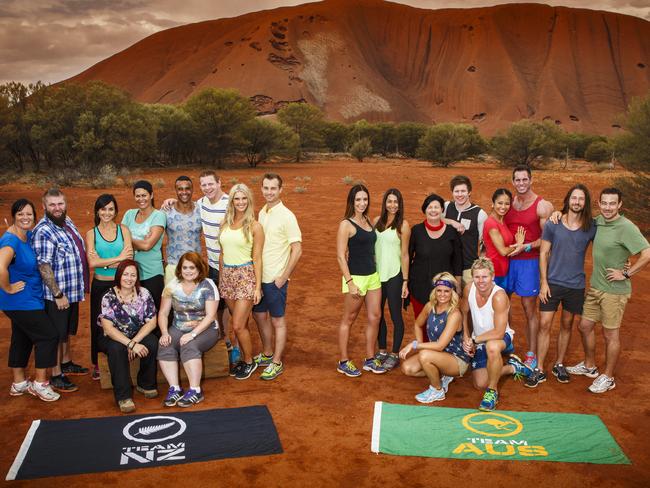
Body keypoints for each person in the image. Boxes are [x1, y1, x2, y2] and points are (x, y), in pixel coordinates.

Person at [566, 188, 650, 393]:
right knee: (584, 326)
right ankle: (590, 366)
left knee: (610, 335)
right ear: (599, 203)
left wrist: (626, 273)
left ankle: (609, 377)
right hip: (596, 287)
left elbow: (647, 254)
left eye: (613, 203)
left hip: (615, 291)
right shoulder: (598, 222)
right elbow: (576, 221)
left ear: (620, 205)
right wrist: (557, 213)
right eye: (604, 203)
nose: (608, 207)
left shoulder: (626, 227)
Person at [525, 185, 596, 388]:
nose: (577, 202)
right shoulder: (553, 223)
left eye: (581, 199)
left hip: (575, 286)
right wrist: (544, 282)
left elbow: (608, 243)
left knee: (567, 325)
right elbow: (543, 253)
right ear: (568, 200)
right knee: (545, 325)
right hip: (552, 284)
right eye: (574, 198)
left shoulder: (591, 226)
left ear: (585, 202)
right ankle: (539, 368)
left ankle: (559, 364)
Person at [1, 199, 60, 402]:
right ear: (14, 216)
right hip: (21, 301)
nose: (25, 218)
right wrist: (8, 287)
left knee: (22, 336)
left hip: (26, 300)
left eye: (29, 214)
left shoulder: (24, 236)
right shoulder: (11, 240)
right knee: (48, 336)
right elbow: (0, 266)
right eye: (20, 214)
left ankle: (19, 383)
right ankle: (40, 383)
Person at [32, 188, 89, 393]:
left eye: (60, 204)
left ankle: (66, 362)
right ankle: (56, 374)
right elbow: (44, 265)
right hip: (57, 295)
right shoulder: (44, 230)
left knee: (65, 332)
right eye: (52, 205)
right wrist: (57, 294)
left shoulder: (65, 221)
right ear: (44, 206)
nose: (57, 208)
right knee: (56, 335)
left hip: (70, 291)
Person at [461, 257, 533, 411]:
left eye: (485, 277)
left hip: (501, 338)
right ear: (472, 276)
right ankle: (513, 368)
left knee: (492, 347)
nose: (481, 281)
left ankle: (492, 392)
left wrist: (473, 340)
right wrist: (466, 337)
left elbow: (499, 332)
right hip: (479, 338)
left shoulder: (499, 296)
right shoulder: (468, 289)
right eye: (477, 277)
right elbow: (464, 313)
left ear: (492, 276)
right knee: (480, 383)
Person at [252, 174, 302, 380]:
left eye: (273, 188)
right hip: (259, 278)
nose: (269, 192)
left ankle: (277, 362)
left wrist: (283, 277)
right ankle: (267, 353)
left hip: (275, 280)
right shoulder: (262, 212)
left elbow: (297, 249)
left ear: (281, 190)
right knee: (259, 316)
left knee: (277, 321)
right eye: (266, 188)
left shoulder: (287, 216)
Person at [503, 165, 553, 368]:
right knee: (502, 305)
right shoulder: (508, 203)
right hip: (507, 261)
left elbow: (548, 239)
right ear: (513, 182)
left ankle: (531, 353)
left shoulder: (542, 206)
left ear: (531, 180)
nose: (521, 183)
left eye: (525, 179)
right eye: (518, 180)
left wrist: (526, 246)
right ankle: (505, 345)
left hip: (529, 263)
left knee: (528, 308)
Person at [336, 184, 386, 377]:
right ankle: (343, 361)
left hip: (372, 277)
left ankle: (370, 358)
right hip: (355, 278)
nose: (362, 203)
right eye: (358, 199)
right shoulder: (346, 225)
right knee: (349, 319)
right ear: (352, 201)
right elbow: (341, 256)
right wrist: (350, 283)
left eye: (365, 199)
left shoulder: (367, 220)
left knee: (375, 317)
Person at [158, 252, 220, 407]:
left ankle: (195, 390)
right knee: (165, 344)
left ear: (199, 268)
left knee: (188, 345)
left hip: (206, 329)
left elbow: (211, 316)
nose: (188, 271)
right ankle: (175, 388)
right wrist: (165, 332)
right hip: (179, 326)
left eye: (192, 267)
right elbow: (163, 313)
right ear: (180, 268)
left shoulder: (208, 285)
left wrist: (192, 334)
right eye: (185, 267)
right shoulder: (171, 285)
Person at [399, 273, 471, 403]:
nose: (442, 294)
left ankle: (437, 390)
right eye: (439, 290)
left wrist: (415, 345)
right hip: (438, 354)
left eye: (446, 291)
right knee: (407, 368)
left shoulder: (454, 314)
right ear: (435, 291)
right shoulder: (429, 306)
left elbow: (440, 345)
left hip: (457, 360)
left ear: (452, 292)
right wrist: (420, 344)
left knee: (425, 356)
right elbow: (417, 324)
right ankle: (443, 375)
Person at [98, 259, 159, 413]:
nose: (129, 278)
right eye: (125, 274)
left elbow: (152, 322)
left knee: (151, 342)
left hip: (136, 334)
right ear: (119, 275)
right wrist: (130, 345)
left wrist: (135, 341)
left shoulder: (144, 293)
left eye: (133, 275)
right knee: (116, 349)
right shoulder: (108, 296)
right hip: (114, 336)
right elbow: (109, 329)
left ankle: (145, 384)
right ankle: (123, 396)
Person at [219, 183, 264, 380]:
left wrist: (258, 287)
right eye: (237, 199)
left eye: (244, 198)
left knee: (237, 325)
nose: (240, 202)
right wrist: (222, 279)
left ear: (249, 200)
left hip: (245, 277)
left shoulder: (255, 226)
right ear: (231, 201)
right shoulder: (225, 224)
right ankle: (242, 357)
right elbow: (222, 254)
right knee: (240, 322)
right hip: (228, 278)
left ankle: (248, 361)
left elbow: (258, 257)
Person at [86, 194, 133, 380]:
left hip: (121, 285)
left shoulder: (124, 230)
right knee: (99, 324)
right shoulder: (92, 233)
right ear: (97, 211)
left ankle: (124, 356)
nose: (107, 213)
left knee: (123, 322)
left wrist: (104, 263)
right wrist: (118, 259)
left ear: (115, 211)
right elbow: (91, 263)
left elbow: (129, 258)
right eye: (103, 209)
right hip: (100, 285)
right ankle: (98, 363)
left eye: (111, 209)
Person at [408, 193, 463, 325]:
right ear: (425, 210)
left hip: (444, 288)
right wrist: (406, 282)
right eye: (430, 207)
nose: (433, 210)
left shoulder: (451, 232)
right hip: (419, 286)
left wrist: (458, 284)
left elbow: (457, 260)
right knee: (422, 323)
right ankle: (424, 346)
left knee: (443, 325)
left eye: (437, 207)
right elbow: (408, 257)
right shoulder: (416, 231)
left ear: (442, 210)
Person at [373, 188, 410, 371]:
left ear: (400, 204)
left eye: (396, 202)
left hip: (395, 275)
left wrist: (405, 281)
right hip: (377, 276)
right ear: (384, 203)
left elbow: (405, 255)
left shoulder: (403, 225)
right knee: (378, 314)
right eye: (389, 201)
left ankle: (394, 353)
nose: (392, 205)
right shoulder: (376, 222)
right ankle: (381, 350)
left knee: (396, 315)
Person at [122, 180, 166, 312]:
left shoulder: (158, 216)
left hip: (152, 272)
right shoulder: (129, 214)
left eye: (144, 195)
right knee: (134, 311)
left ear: (151, 195)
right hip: (131, 274)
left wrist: (129, 238)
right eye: (138, 196)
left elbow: (147, 245)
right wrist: (139, 241)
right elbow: (120, 239)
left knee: (154, 310)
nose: (141, 199)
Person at [443, 175, 488, 288]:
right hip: (448, 265)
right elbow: (436, 219)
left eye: (463, 191)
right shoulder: (447, 206)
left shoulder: (479, 213)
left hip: (468, 267)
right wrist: (452, 222)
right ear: (452, 192)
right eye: (456, 191)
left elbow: (485, 244)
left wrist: (481, 267)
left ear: (469, 192)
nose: (460, 195)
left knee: (469, 301)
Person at [162, 176, 202, 285]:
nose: (184, 192)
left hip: (196, 266)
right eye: (180, 189)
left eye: (187, 188)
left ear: (192, 189)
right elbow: (157, 237)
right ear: (176, 190)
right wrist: (162, 261)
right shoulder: (166, 210)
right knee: (172, 301)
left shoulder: (200, 209)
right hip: (174, 266)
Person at [482, 189, 525, 288]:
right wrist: (518, 245)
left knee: (504, 301)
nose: (503, 207)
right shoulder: (491, 223)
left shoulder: (502, 220)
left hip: (503, 269)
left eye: (507, 204)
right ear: (493, 203)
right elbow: (503, 251)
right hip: (493, 271)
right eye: (500, 203)